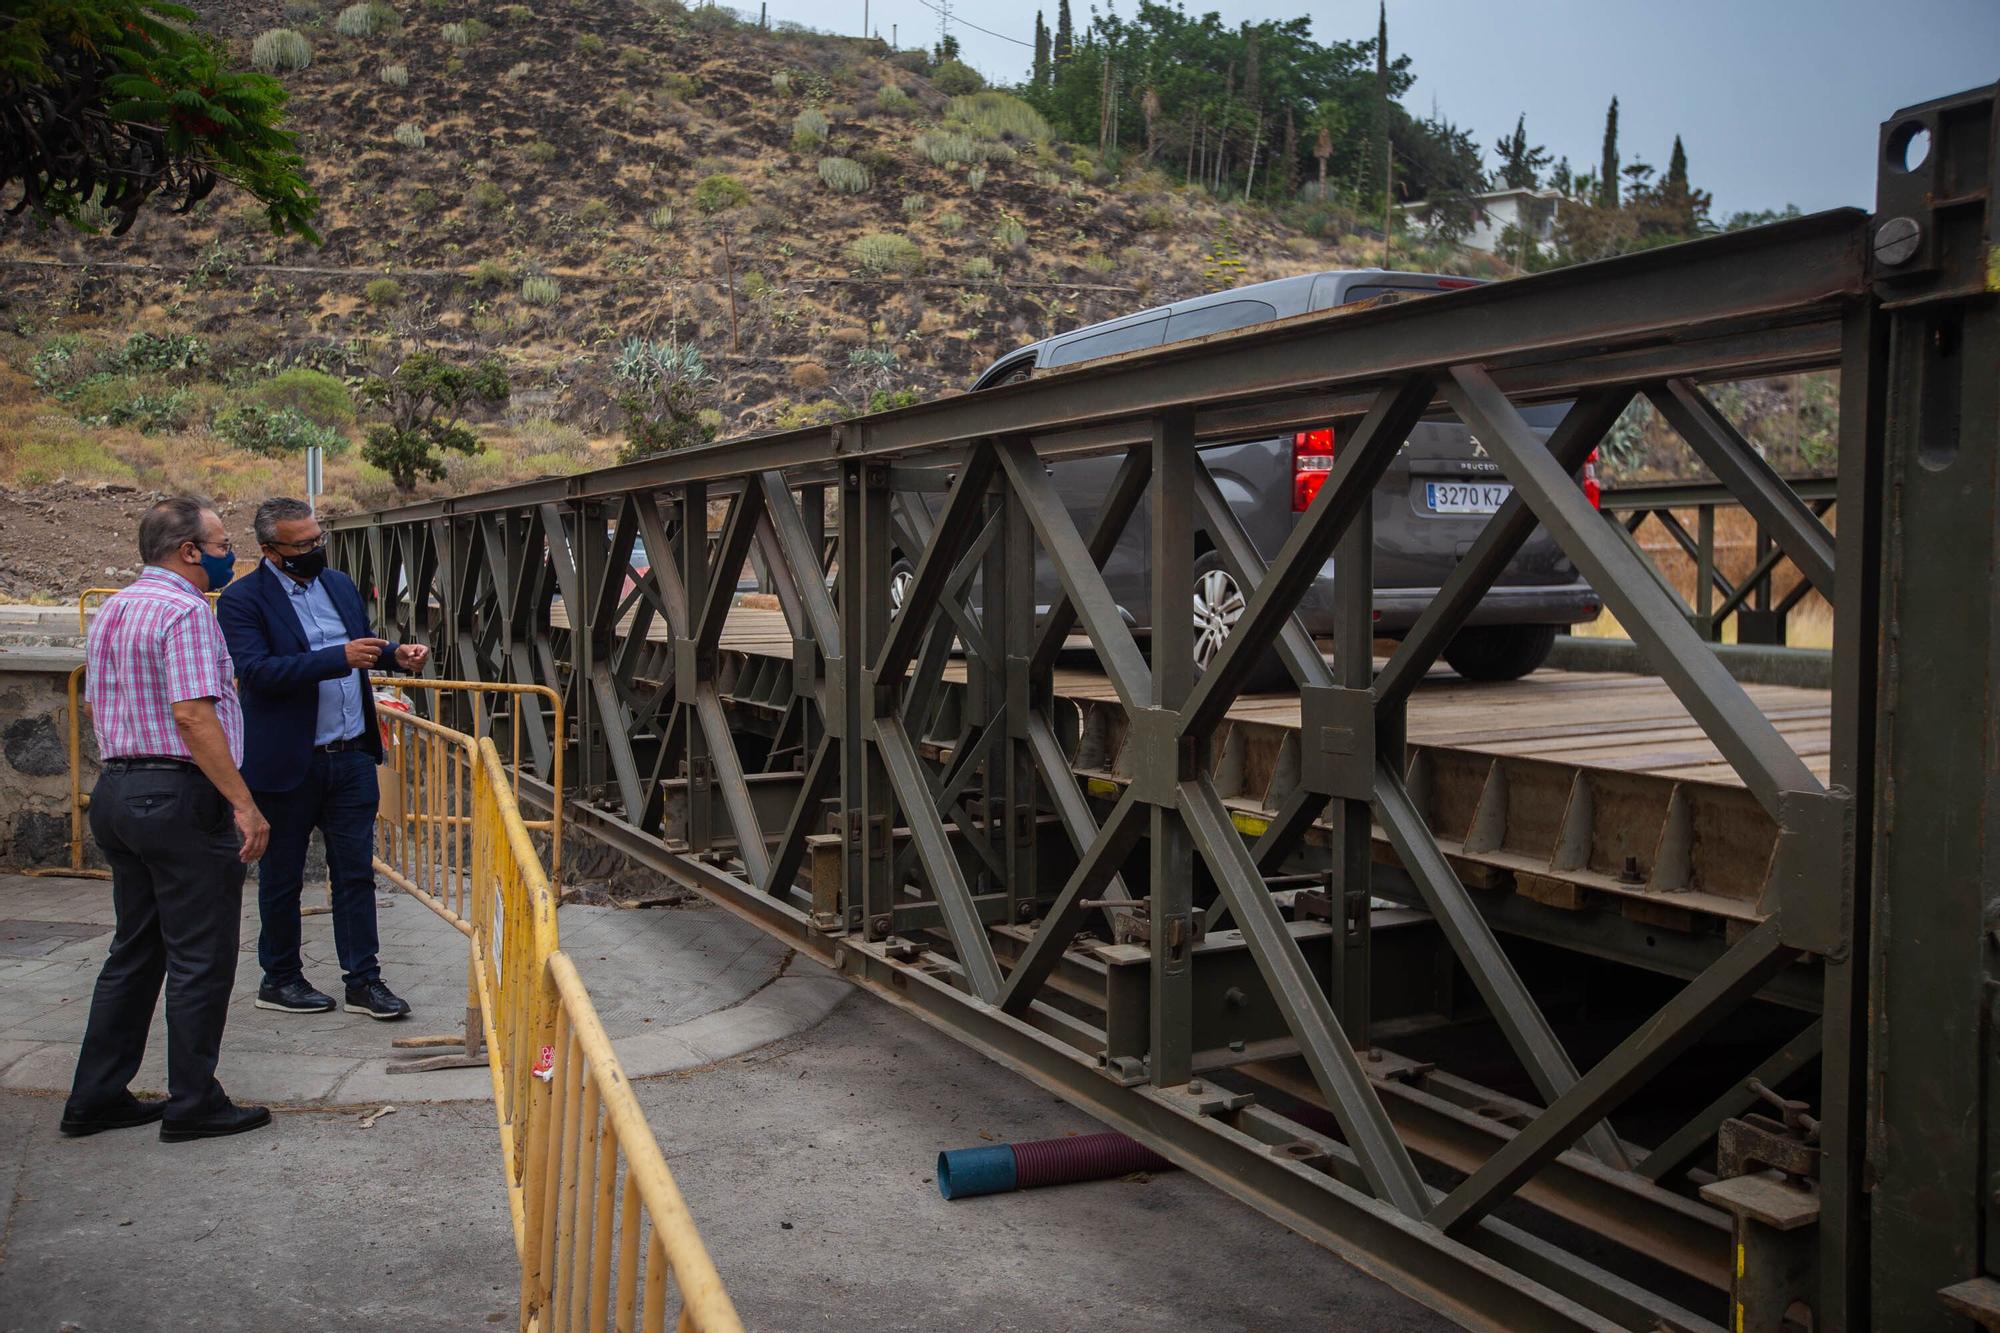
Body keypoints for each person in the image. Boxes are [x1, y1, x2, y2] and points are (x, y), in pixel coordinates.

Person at [62, 496, 274, 1142]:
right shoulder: (185, 611)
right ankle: (193, 1100)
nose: (227, 551)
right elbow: (193, 714)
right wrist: (243, 800)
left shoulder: (114, 608)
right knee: (201, 955)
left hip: (119, 790)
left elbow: (104, 700)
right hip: (177, 795)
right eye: (219, 541)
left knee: (136, 947)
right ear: (189, 551)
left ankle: (95, 1094)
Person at [216, 497, 429, 1022]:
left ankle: (365, 981)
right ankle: (281, 978)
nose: (315, 550)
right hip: (288, 761)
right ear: (271, 549)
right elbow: (258, 671)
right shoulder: (242, 601)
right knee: (283, 876)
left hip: (351, 754)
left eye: (318, 540)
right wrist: (338, 658)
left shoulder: (337, 584)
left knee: (355, 873)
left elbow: (360, 647)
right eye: (303, 545)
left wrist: (394, 655)